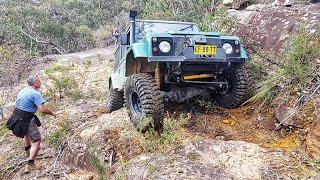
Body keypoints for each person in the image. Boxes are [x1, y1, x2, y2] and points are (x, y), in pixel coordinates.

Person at [6, 74, 56, 173]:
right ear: (34, 83)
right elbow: (42, 110)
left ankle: (28, 151)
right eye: (38, 81)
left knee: (26, 133)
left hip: (16, 115)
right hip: (26, 118)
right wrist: (52, 113)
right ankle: (30, 164)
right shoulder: (35, 93)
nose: (40, 82)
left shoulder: (23, 90)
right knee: (37, 140)